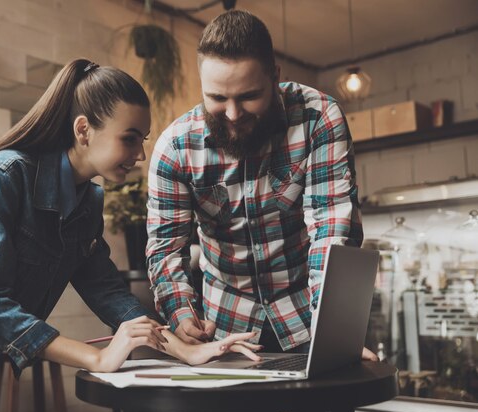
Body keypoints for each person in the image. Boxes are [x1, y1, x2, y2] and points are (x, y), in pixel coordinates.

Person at [0, 59, 259, 412]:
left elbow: (109, 294)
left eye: (143, 139)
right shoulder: (5, 176)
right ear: (83, 129)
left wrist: (188, 351)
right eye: (130, 137)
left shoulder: (87, 202)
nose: (140, 154)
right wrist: (97, 358)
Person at [146, 10, 378, 361]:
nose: (233, 113)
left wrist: (335, 328)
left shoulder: (318, 118)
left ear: (275, 76)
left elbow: (332, 227)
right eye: (217, 98)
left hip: (309, 315)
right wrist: (182, 317)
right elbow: (166, 248)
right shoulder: (175, 147)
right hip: (225, 327)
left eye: (249, 96)